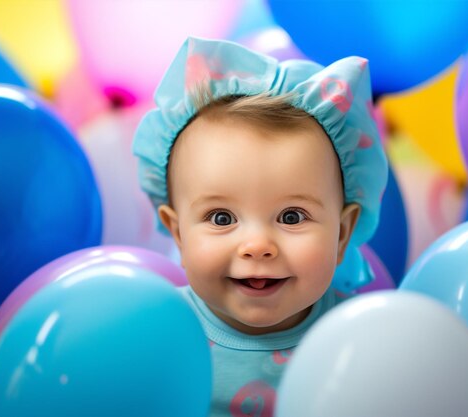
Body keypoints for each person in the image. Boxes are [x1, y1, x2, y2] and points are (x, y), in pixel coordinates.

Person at [133, 37, 387, 416]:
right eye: (221, 218)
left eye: (291, 216)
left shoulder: (365, 341)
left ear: (342, 233)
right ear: (178, 233)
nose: (257, 245)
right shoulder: (154, 335)